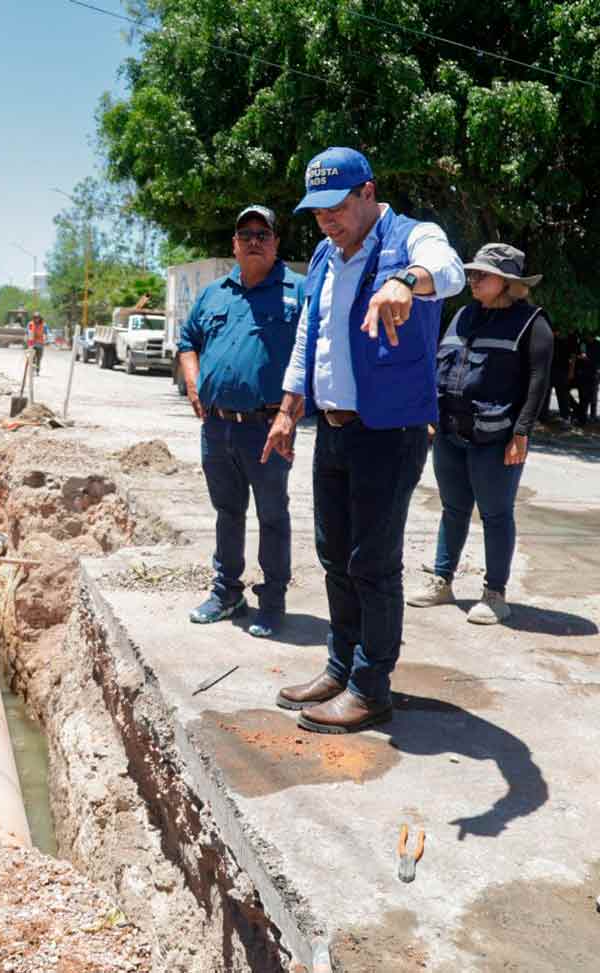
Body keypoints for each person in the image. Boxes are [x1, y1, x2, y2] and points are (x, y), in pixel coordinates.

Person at [263, 147, 465, 734]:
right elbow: (312, 336)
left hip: (389, 430)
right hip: (332, 428)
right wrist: (287, 406)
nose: (326, 220)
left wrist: (407, 281)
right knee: (334, 556)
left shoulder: (411, 237)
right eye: (317, 211)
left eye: (336, 206)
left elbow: (448, 269)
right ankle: (340, 666)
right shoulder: (327, 254)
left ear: (368, 192)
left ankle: (371, 685)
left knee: (372, 563)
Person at [407, 244, 552, 624]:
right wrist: (429, 415)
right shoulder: (464, 316)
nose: (472, 279)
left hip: (497, 438)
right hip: (450, 431)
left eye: (481, 274)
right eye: (471, 272)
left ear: (506, 282)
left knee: (496, 514)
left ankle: (495, 594)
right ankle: (442, 581)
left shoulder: (532, 322)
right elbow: (440, 363)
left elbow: (538, 382)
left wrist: (521, 432)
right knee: (453, 509)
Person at [179, 205, 305, 638]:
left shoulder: (298, 292)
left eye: (262, 234)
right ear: (233, 244)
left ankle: (272, 602)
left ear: (275, 243)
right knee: (227, 512)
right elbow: (187, 341)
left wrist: (290, 413)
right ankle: (227, 592)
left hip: (268, 427)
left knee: (272, 515)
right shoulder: (215, 293)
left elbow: (314, 356)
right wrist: (194, 383)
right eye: (245, 233)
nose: (254, 240)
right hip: (217, 427)